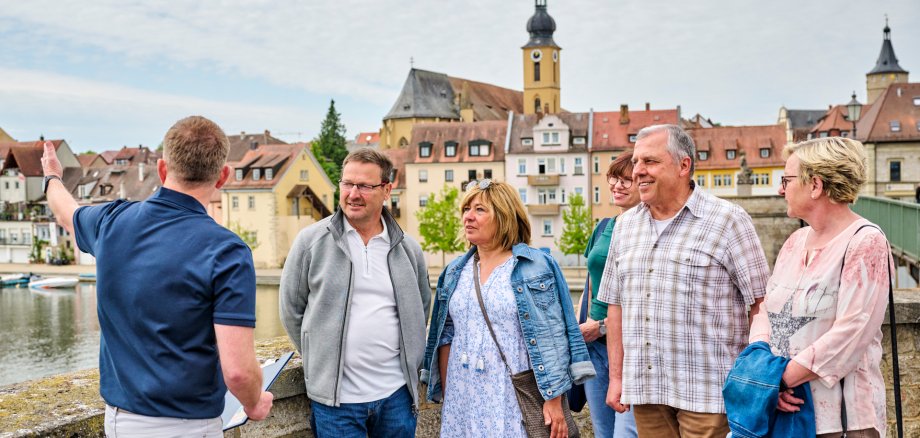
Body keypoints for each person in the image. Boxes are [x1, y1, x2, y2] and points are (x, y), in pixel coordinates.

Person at [41, 116, 273, 436]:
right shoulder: (227, 252)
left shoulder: (111, 222)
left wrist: (52, 176)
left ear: (162, 169)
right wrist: (254, 402)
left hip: (121, 422)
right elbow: (238, 373)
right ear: (223, 177)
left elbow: (65, 211)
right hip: (189, 426)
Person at [598, 124, 770, 437]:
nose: (637, 171)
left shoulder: (727, 220)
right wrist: (617, 378)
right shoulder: (625, 226)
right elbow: (616, 308)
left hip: (709, 394)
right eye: (636, 162)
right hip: (646, 392)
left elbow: (761, 302)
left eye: (649, 162)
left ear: (683, 165)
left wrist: (761, 377)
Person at [422, 179, 594, 438]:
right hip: (462, 394)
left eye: (479, 210)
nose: (468, 217)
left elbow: (555, 337)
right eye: (466, 209)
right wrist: (450, 396)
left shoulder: (536, 266)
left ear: (504, 216)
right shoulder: (455, 271)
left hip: (510, 392)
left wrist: (554, 398)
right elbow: (446, 336)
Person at [280, 148, 431, 438]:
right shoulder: (311, 242)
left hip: (396, 397)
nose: (353, 194)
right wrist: (320, 357)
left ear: (387, 190)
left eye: (364, 185)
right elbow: (291, 310)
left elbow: (421, 307)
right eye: (347, 184)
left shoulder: (407, 248)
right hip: (337, 404)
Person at [749, 137, 891, 437]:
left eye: (786, 180)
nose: (780, 189)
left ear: (815, 185)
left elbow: (852, 332)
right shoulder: (794, 242)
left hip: (841, 419)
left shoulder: (865, 242)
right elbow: (765, 311)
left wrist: (780, 380)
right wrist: (764, 373)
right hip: (785, 409)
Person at [580, 152, 639, 437]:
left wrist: (601, 326)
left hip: (629, 348)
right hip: (594, 346)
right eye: (614, 178)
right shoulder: (603, 227)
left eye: (626, 180)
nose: (617, 185)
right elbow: (591, 283)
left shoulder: (645, 232)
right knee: (603, 431)